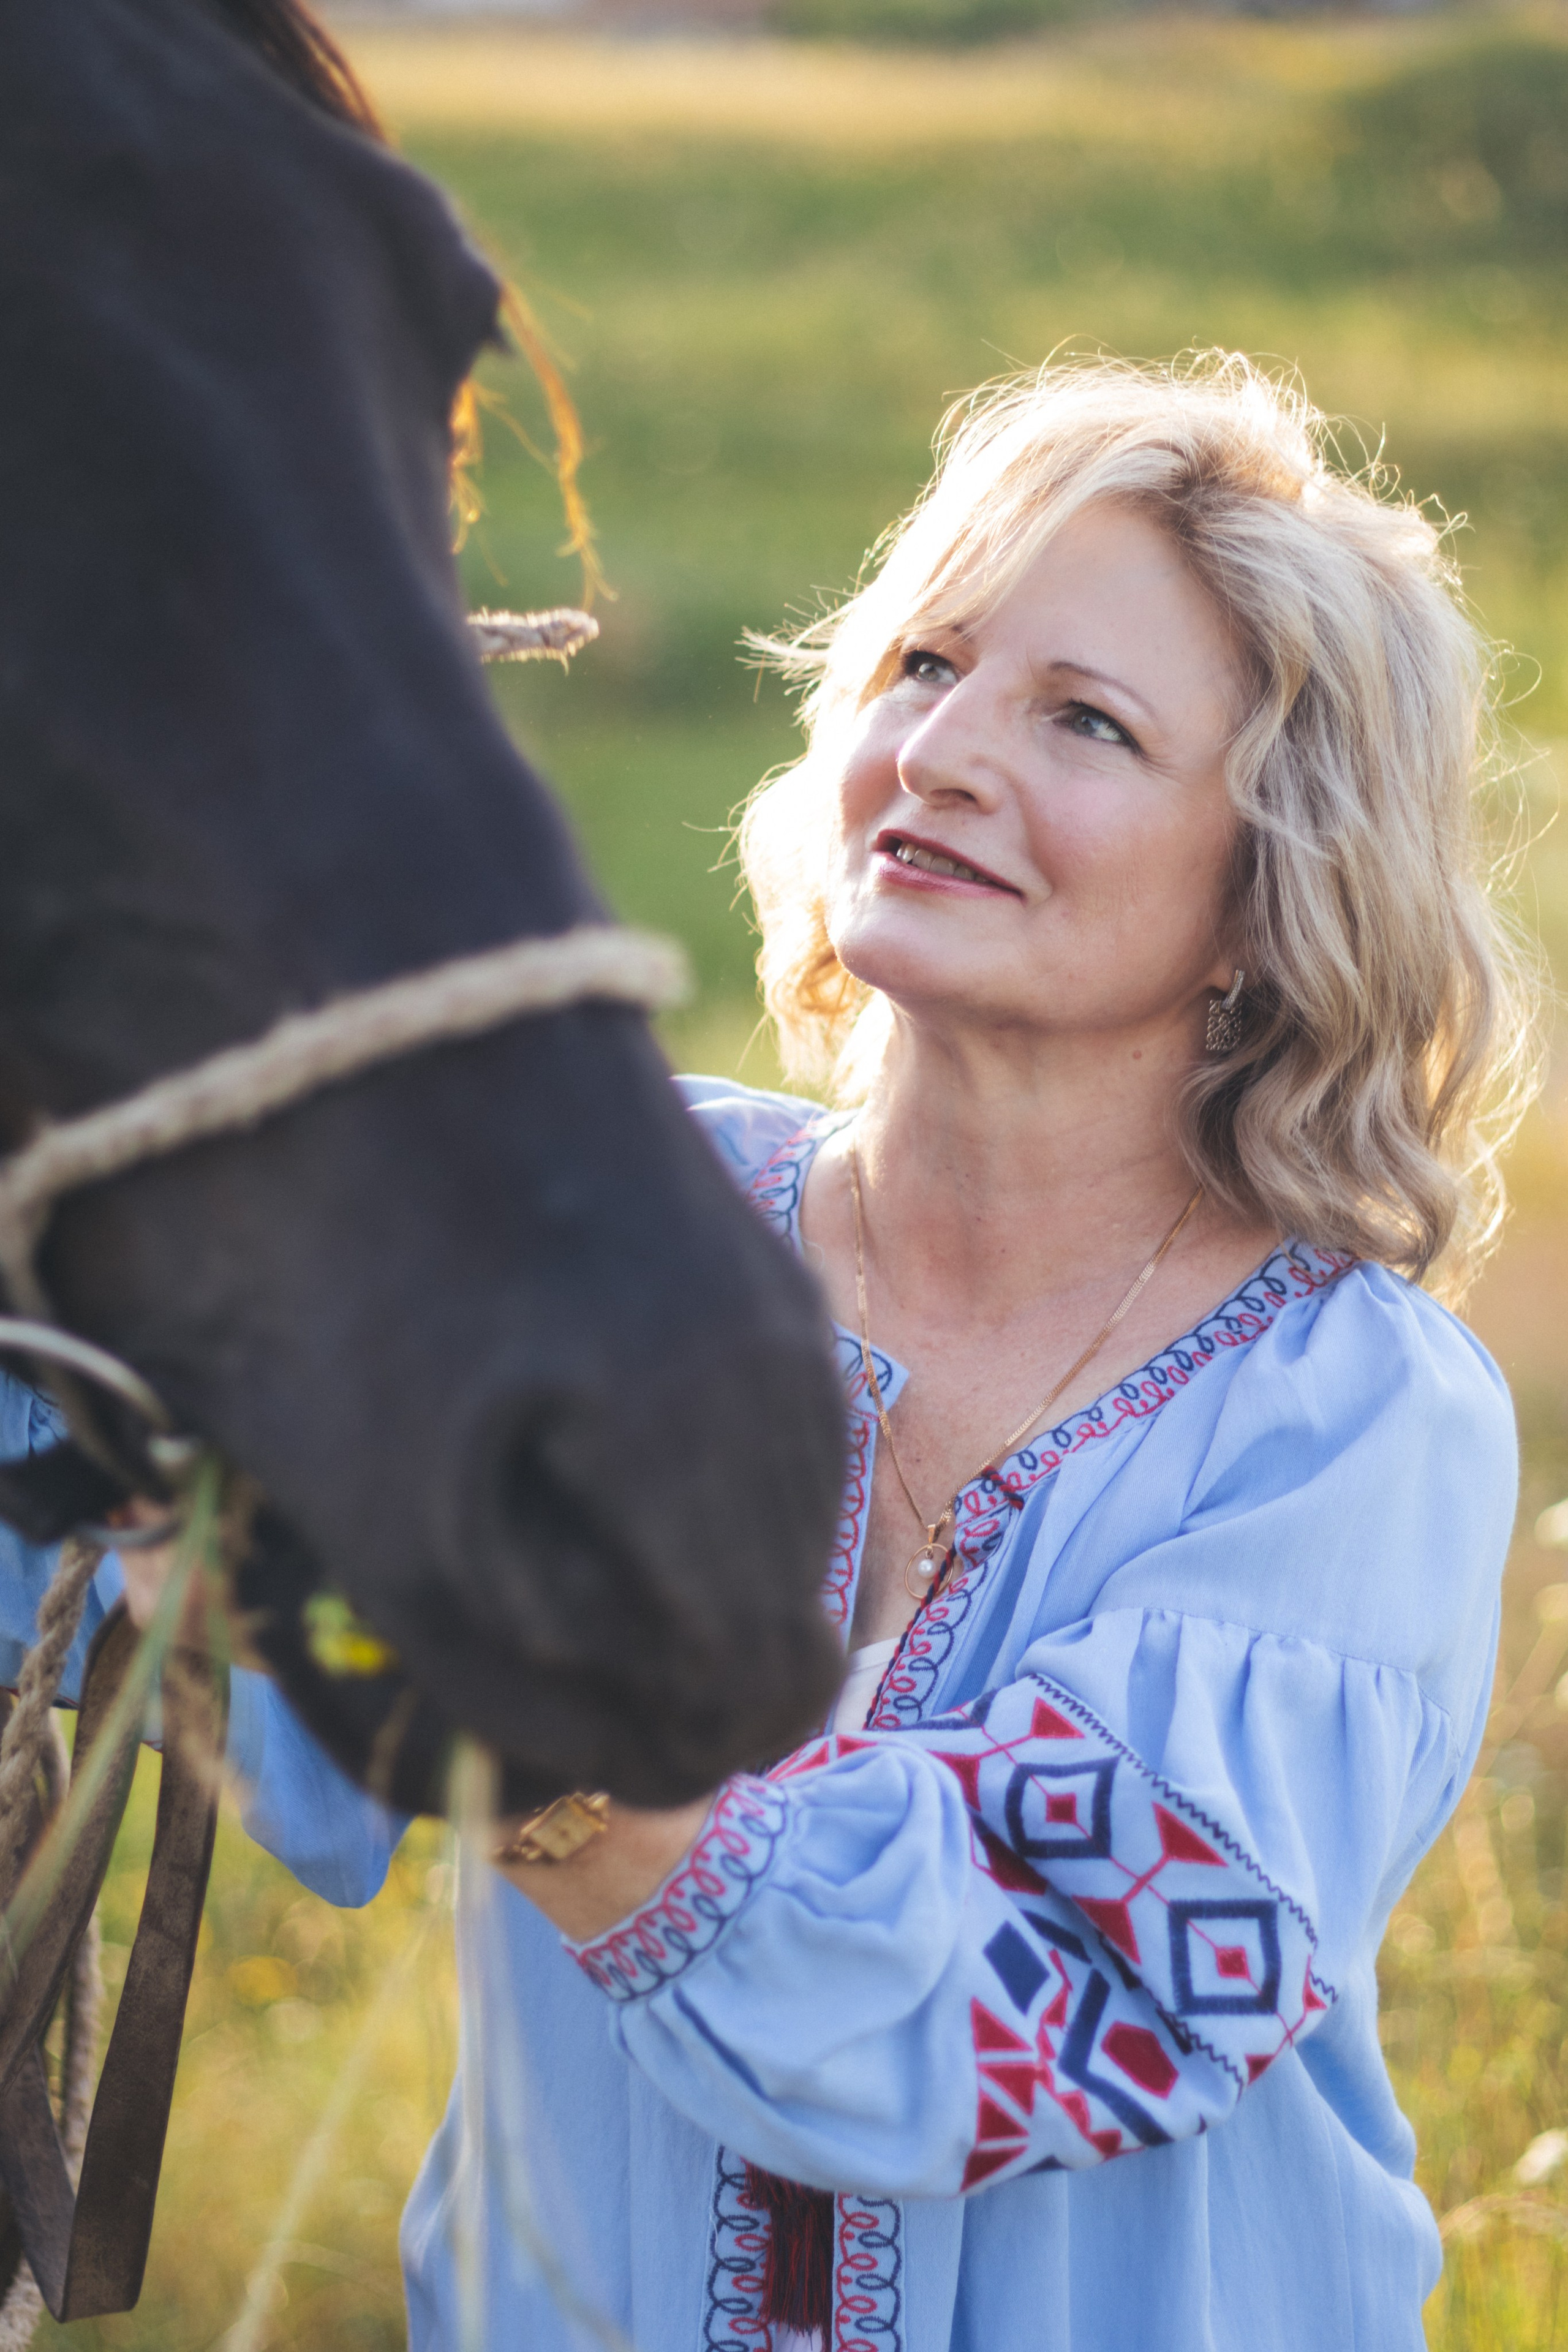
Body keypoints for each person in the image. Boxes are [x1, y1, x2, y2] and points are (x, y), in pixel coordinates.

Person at [0, 352, 1536, 2351]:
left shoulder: (1346, 1414)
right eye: (925, 668)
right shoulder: (597, 1222)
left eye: (1083, 718)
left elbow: (1035, 2007)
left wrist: (520, 1753)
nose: (950, 751)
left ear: (1270, 889)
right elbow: (317, 1756)